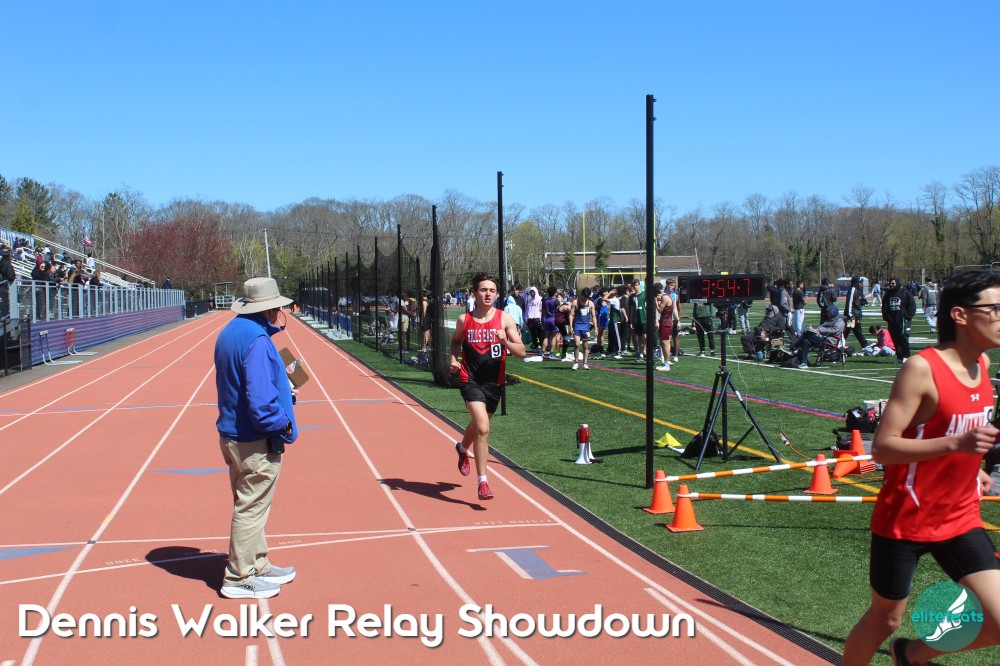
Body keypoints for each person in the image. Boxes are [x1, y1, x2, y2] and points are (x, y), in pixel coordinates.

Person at [843, 270, 1000, 666]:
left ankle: (912, 654)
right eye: (995, 309)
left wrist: (973, 467)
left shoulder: (982, 364)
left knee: (999, 621)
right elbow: (883, 448)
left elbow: (955, 431)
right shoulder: (922, 369)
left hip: (960, 517)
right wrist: (957, 445)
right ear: (960, 315)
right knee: (886, 619)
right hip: (906, 519)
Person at [214, 277, 299, 599]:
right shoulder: (257, 341)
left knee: (251, 504)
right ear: (271, 308)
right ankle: (238, 577)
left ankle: (257, 563)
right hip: (254, 438)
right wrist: (283, 423)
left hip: (232, 433)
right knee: (251, 508)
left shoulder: (231, 332)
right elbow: (262, 404)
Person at [451, 273, 525, 501]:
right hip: (470, 380)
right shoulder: (464, 320)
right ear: (474, 293)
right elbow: (456, 341)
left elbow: (522, 352)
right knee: (483, 428)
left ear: (497, 294)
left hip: (494, 383)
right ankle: (483, 482)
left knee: (478, 424)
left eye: (492, 290)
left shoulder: (505, 319)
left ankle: (462, 448)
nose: (488, 294)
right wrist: (453, 359)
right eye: (483, 290)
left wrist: (505, 341)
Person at [882, 277, 916, 364]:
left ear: (897, 283)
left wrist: (907, 316)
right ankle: (899, 356)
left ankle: (906, 356)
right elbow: (884, 306)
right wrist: (886, 316)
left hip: (902, 320)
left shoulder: (905, 292)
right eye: (890, 283)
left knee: (903, 337)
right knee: (895, 338)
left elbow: (912, 305)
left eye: (893, 283)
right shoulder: (888, 294)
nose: (891, 285)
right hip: (892, 320)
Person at [568, 287, 595, 370]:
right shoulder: (575, 302)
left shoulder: (590, 304)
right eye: (585, 296)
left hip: (586, 327)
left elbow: (594, 316)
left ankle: (585, 363)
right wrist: (571, 326)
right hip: (577, 326)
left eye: (587, 297)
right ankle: (576, 363)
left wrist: (596, 328)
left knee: (585, 346)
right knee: (577, 344)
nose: (586, 298)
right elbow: (571, 315)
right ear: (582, 295)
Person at [843, 275, 869, 349]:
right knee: (856, 332)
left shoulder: (857, 291)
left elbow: (857, 303)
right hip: (853, 316)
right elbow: (849, 303)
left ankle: (838, 345)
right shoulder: (853, 290)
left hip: (855, 315)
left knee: (849, 332)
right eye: (860, 283)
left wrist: (862, 301)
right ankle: (865, 346)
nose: (861, 284)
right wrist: (850, 314)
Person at [655, 282, 673, 371]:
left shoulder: (665, 297)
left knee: (665, 343)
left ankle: (666, 364)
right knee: (663, 343)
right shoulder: (665, 297)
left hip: (666, 323)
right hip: (664, 322)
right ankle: (665, 362)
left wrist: (655, 301)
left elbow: (659, 310)